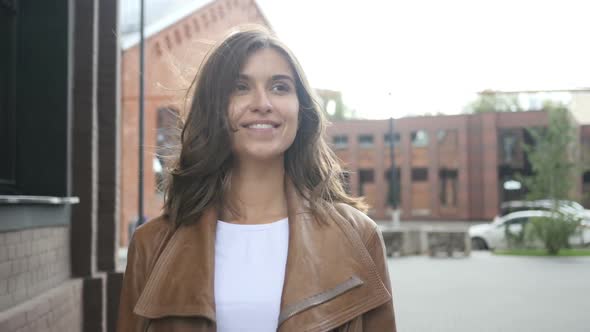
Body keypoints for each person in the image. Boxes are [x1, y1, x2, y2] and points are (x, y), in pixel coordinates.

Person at [117, 26, 396, 332]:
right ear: (214, 108)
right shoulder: (152, 245)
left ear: (301, 110)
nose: (262, 102)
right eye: (240, 87)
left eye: (279, 87)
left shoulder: (358, 237)